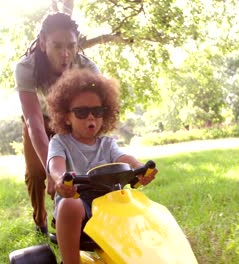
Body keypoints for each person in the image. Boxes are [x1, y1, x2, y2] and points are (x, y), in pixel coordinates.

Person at [46, 68, 157, 264]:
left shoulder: (107, 144)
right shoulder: (60, 142)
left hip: (109, 205)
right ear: (65, 116)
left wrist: (140, 168)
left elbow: (124, 158)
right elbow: (55, 166)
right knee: (70, 204)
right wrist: (60, 179)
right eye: (81, 112)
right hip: (77, 203)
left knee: (137, 202)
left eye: (97, 111)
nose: (91, 118)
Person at [14, 12, 100, 235]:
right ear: (43, 42)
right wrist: (50, 172)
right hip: (39, 119)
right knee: (35, 172)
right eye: (57, 46)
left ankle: (67, 219)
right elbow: (33, 120)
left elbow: (96, 111)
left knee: (72, 173)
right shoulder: (26, 67)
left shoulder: (88, 69)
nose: (65, 54)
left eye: (71, 46)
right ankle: (40, 220)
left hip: (70, 119)